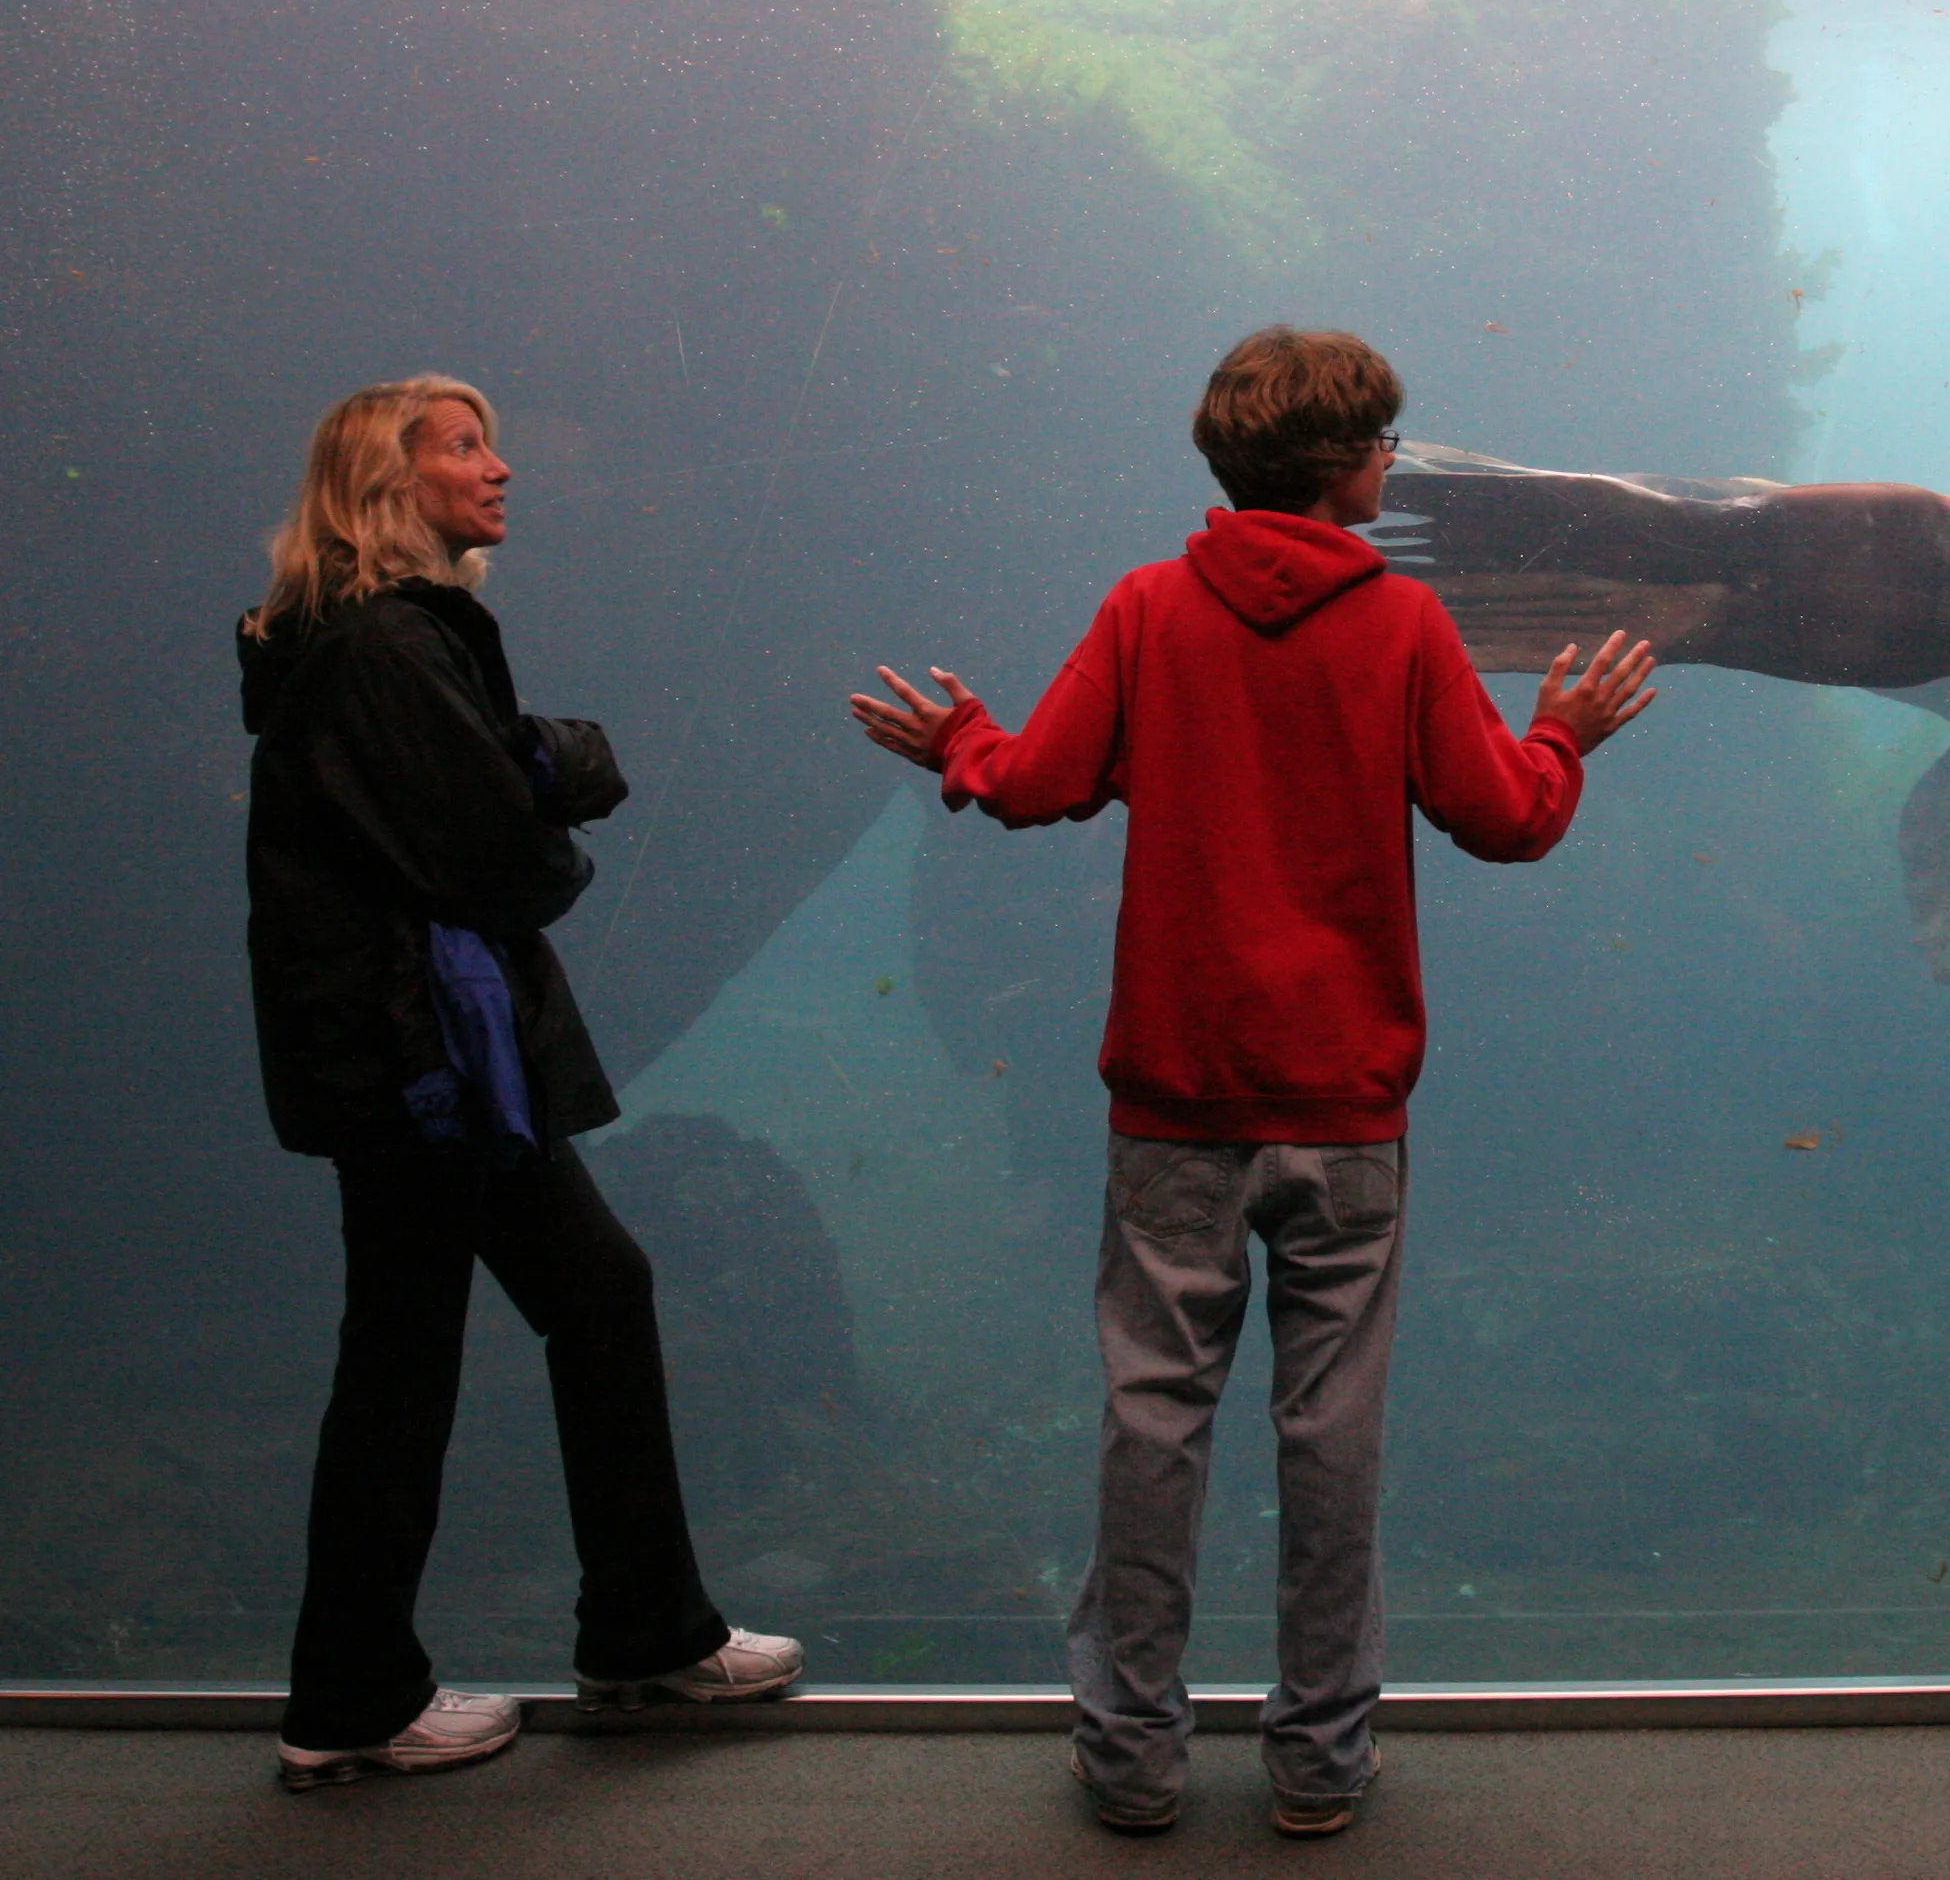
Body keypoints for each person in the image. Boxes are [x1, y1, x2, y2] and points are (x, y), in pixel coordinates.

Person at [850, 327, 1655, 1838]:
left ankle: (1132, 1755)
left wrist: (956, 739)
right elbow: (1502, 823)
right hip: (1342, 1103)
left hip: (1175, 1098)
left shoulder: (1149, 609)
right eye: (1389, 444)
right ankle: (1318, 1762)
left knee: (1151, 1423)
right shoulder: (1402, 623)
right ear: (1351, 466)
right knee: (1329, 1433)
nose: (1393, 465)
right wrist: (1562, 736)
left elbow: (1036, 786)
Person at [239, 375, 802, 1791]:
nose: (502, 470)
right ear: (390, 479)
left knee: (581, 1297)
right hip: (424, 1060)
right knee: (410, 1358)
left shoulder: (360, 640)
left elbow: (476, 791)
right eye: (467, 449)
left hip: (422, 1054)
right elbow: (495, 851)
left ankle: (635, 1631)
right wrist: (560, 782)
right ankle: (361, 1698)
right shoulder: (385, 645)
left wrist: (535, 766)